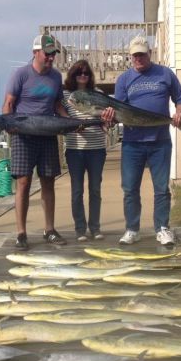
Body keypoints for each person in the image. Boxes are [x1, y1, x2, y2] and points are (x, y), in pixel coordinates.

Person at [103, 35, 181, 247]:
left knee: (161, 188)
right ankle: (132, 229)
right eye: (135, 55)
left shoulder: (165, 74)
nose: (138, 58)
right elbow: (119, 109)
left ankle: (162, 228)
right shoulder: (123, 80)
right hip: (132, 143)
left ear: (149, 53)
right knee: (130, 188)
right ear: (130, 57)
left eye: (142, 54)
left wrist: (179, 112)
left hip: (160, 141)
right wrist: (110, 117)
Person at [2, 34, 69, 250]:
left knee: (48, 181)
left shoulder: (56, 77)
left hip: (47, 134)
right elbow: (8, 105)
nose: (51, 58)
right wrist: (10, 127)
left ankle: (49, 229)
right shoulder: (20, 74)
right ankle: (21, 232)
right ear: (35, 53)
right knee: (23, 183)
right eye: (48, 54)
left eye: (53, 54)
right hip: (23, 135)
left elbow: (58, 105)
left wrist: (70, 121)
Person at [62, 60, 107, 242]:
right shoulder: (65, 95)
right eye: (79, 73)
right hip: (74, 149)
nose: (83, 76)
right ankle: (80, 229)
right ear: (73, 75)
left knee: (95, 189)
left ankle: (95, 228)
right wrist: (71, 124)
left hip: (97, 149)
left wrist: (108, 122)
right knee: (77, 191)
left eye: (86, 73)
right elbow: (59, 114)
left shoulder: (99, 94)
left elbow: (107, 123)